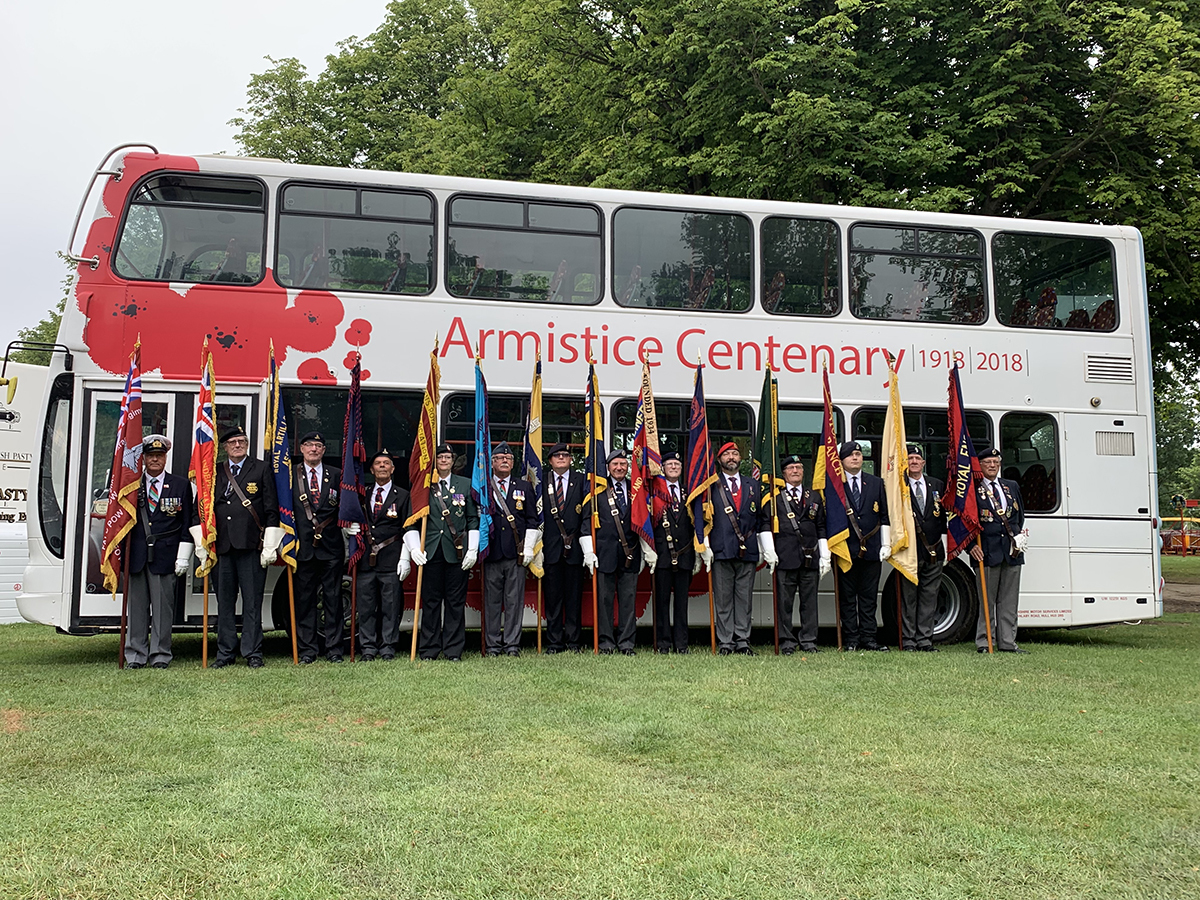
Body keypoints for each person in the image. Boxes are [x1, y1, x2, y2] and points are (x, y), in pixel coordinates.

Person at [197, 426, 283, 669]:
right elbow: (201, 508)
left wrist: (269, 544)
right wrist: (202, 543)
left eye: (242, 441)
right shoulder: (214, 471)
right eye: (233, 442)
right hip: (221, 547)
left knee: (252, 602)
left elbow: (271, 509)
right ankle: (225, 652)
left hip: (251, 546)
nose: (237, 445)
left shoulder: (261, 469)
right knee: (224, 603)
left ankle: (253, 652)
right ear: (225, 447)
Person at [404, 444, 479, 661]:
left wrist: (472, 548)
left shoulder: (465, 484)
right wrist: (414, 548)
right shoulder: (423, 485)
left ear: (453, 461)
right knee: (430, 602)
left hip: (456, 552)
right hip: (430, 552)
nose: (444, 460)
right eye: (440, 457)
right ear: (434, 461)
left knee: (455, 603)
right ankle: (429, 649)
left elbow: (472, 518)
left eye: (448, 457)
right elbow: (411, 522)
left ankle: (453, 650)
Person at [124, 435, 193, 669]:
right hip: (136, 555)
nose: (155, 459)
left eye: (159, 455)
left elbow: (186, 523)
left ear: (165, 458)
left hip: (166, 555)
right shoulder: (130, 485)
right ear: (143, 458)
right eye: (151, 455)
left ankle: (160, 654)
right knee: (136, 609)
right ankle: (135, 654)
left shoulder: (180, 485)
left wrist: (183, 556)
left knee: (163, 609)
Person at [703, 442, 774, 655]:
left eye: (735, 453)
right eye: (727, 454)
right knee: (723, 600)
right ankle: (725, 642)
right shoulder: (710, 486)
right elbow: (704, 518)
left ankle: (742, 640)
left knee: (744, 599)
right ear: (719, 459)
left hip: (748, 550)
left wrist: (766, 548)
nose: (731, 457)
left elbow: (762, 519)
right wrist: (705, 546)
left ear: (740, 458)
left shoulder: (753, 485)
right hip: (721, 549)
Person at [581, 448, 652, 655]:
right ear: (608, 467)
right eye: (615, 464)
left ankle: (627, 643)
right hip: (604, 554)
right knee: (603, 601)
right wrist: (588, 551)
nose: (619, 467)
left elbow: (643, 521)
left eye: (623, 464)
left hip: (630, 553)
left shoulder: (636, 489)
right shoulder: (596, 490)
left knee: (628, 601)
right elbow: (586, 523)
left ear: (627, 466)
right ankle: (605, 643)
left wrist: (647, 550)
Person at [348, 449, 410, 661]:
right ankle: (367, 648)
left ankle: (387, 647)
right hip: (365, 559)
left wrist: (405, 557)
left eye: (386, 463)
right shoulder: (362, 494)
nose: (382, 466)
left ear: (392, 469)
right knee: (366, 608)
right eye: (378, 463)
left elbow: (407, 528)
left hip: (391, 559)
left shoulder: (403, 495)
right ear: (372, 470)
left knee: (390, 607)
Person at [292, 431, 344, 664]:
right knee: (305, 601)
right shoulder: (290, 475)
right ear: (301, 449)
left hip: (331, 547)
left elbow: (345, 507)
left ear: (324, 450)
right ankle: (307, 650)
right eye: (309, 445)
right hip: (302, 547)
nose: (313, 449)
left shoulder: (337, 475)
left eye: (318, 445)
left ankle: (334, 650)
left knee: (333, 599)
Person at [483, 442, 539, 656]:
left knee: (514, 601)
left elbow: (532, 519)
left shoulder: (523, 486)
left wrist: (528, 547)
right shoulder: (484, 487)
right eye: (500, 458)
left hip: (516, 553)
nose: (504, 461)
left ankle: (512, 644)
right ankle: (492, 644)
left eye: (508, 459)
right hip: (491, 552)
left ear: (513, 463)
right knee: (492, 602)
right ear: (492, 463)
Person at [971, 447, 1029, 653]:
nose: (992, 465)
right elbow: (965, 521)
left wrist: (1017, 538)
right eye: (988, 462)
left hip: (1012, 552)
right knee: (987, 601)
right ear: (980, 465)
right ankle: (985, 642)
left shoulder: (1010, 486)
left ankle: (1008, 642)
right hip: (986, 551)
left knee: (1009, 601)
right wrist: (971, 546)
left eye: (996, 462)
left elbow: (1019, 516)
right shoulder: (972, 489)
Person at [835, 440, 891, 651]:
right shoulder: (836, 484)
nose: (855, 458)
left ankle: (869, 638)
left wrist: (885, 544)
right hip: (845, 550)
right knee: (847, 598)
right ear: (842, 461)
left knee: (869, 597)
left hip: (872, 549)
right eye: (850, 455)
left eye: (858, 454)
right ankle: (851, 639)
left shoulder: (876, 483)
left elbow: (884, 515)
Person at [773, 454, 828, 655]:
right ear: (784, 473)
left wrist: (824, 554)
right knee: (784, 604)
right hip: (785, 558)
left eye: (798, 467)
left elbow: (821, 526)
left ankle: (809, 641)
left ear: (803, 472)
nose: (795, 471)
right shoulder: (775, 498)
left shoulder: (813, 496)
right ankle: (787, 642)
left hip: (809, 558)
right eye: (791, 468)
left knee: (809, 603)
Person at [539, 442, 587, 653]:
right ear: (550, 460)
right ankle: (554, 642)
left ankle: (574, 641)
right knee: (553, 599)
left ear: (570, 459)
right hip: (550, 550)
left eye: (565, 455)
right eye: (557, 455)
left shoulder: (582, 480)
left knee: (574, 598)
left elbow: (587, 513)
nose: (561, 458)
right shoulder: (541, 481)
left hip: (575, 548)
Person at [902, 444, 946, 652]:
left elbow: (943, 516)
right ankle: (909, 640)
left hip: (934, 549)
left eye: (917, 459)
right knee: (908, 598)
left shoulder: (937, 484)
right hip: (909, 551)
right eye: (910, 459)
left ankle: (925, 640)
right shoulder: (899, 486)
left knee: (930, 596)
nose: (914, 462)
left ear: (923, 462)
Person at [652, 450, 695, 654]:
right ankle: (663, 643)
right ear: (663, 468)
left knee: (682, 603)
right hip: (662, 555)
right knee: (662, 602)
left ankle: (681, 644)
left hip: (685, 555)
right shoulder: (655, 492)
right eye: (669, 464)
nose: (674, 467)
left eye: (677, 464)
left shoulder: (689, 492)